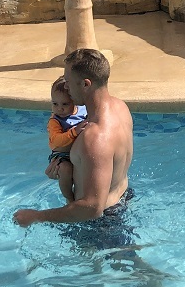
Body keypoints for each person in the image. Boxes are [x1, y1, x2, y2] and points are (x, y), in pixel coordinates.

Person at [14, 48, 134, 229]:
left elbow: (91, 208)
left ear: (86, 84)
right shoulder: (120, 107)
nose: (66, 87)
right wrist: (66, 166)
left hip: (100, 225)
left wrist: (36, 216)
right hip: (124, 199)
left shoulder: (94, 137)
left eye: (68, 81)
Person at [46, 76, 87, 203]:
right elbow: (56, 141)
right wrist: (73, 132)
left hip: (78, 154)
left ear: (74, 101)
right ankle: (69, 198)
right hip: (61, 156)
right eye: (55, 104)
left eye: (65, 104)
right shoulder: (55, 121)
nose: (59, 108)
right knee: (64, 169)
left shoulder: (84, 110)